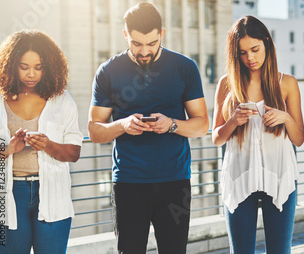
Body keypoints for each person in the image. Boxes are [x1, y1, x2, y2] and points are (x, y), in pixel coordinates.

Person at [88, 2, 208, 254]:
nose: (144, 51)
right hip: (129, 183)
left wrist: (172, 124)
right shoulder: (107, 72)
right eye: (136, 44)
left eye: (152, 44)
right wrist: (122, 125)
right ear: (125, 35)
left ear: (162, 34)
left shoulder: (185, 67)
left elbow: (202, 125)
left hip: (175, 182)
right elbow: (94, 131)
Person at [212, 16, 304, 253]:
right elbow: (217, 138)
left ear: (267, 44)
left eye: (255, 49)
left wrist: (285, 118)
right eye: (242, 52)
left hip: (279, 175)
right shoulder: (226, 84)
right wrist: (234, 120)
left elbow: (299, 138)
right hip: (240, 175)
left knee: (280, 250)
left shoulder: (287, 84)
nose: (250, 58)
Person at [0, 30, 83, 253]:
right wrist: (7, 149)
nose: (31, 74)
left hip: (52, 193)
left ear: (49, 66)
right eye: (24, 67)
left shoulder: (62, 101)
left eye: (38, 67)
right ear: (11, 65)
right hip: (6, 195)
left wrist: (48, 145)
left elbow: (74, 153)